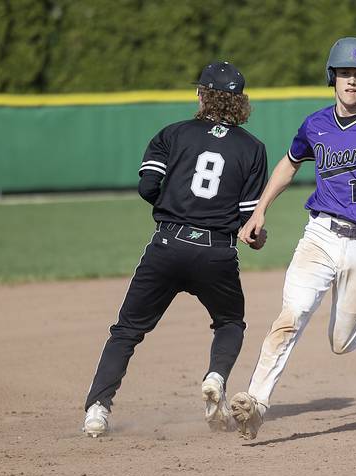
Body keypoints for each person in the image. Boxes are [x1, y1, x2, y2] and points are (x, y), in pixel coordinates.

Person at [229, 37, 356, 439]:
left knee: (340, 342)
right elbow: (290, 162)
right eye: (344, 74)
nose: (350, 81)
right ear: (332, 78)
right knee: (291, 316)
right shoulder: (315, 124)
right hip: (319, 233)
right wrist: (260, 208)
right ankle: (257, 402)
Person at [82, 61, 268, 437]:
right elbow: (250, 224)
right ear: (240, 103)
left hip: (168, 243)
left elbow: (147, 187)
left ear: (201, 95)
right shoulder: (253, 149)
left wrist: (176, 205)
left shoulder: (173, 134)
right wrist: (256, 237)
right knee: (230, 323)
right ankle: (215, 376)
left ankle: (97, 411)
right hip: (217, 251)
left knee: (126, 332)